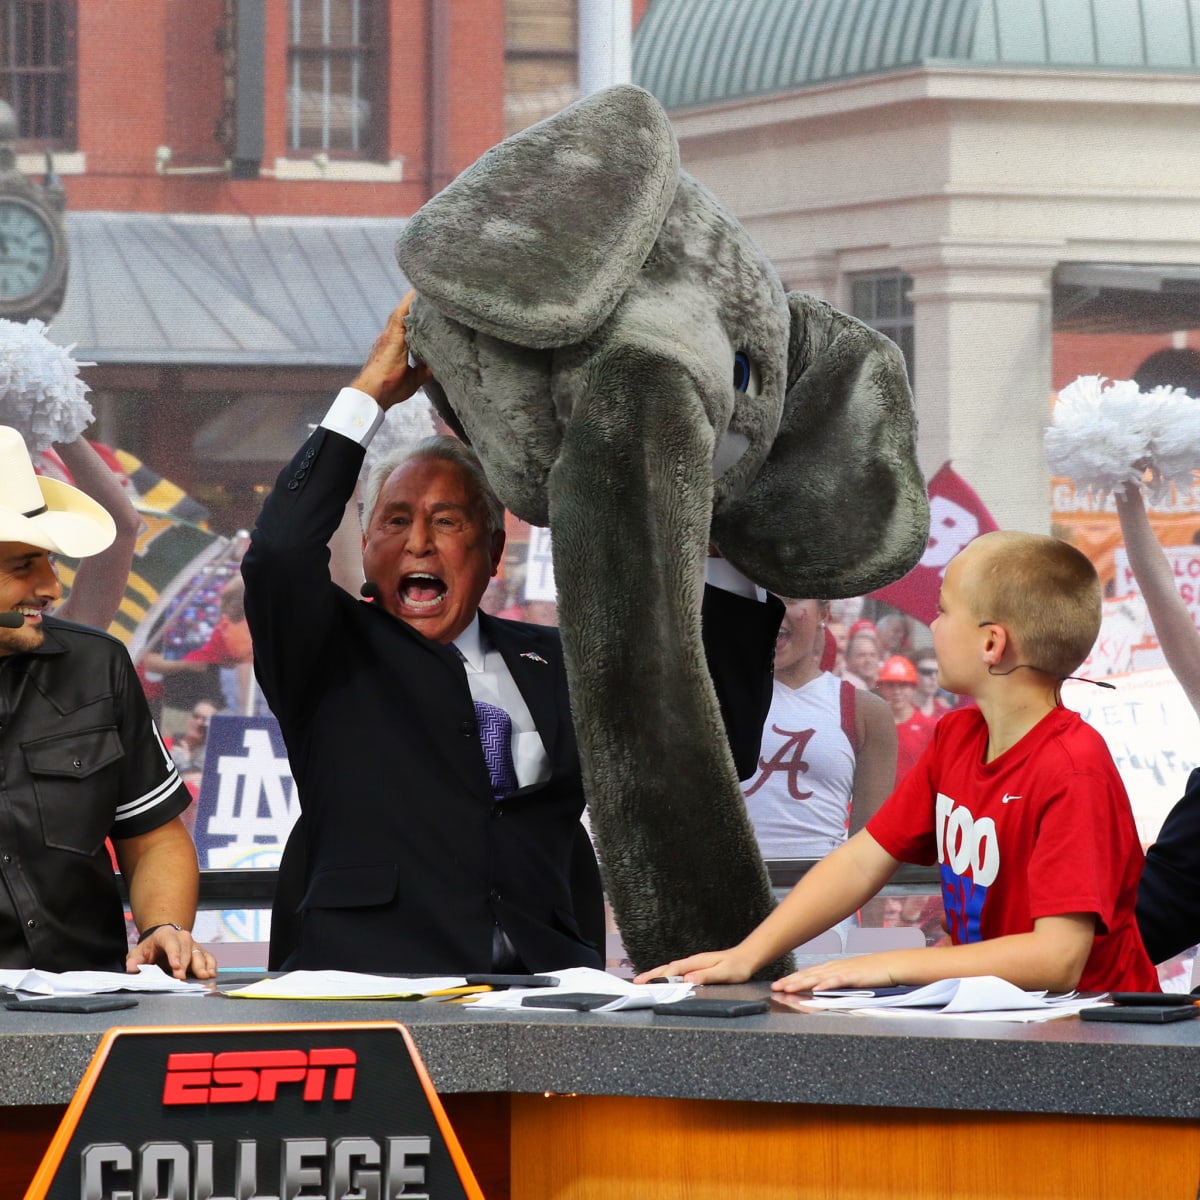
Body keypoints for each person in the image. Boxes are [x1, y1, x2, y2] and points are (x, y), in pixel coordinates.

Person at [243, 295, 780, 974]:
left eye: (447, 522)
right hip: (371, 979)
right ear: (369, 549)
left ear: (493, 552)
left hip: (547, 984)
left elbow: (711, 749)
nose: (418, 544)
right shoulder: (327, 655)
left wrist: (720, 552)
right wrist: (369, 392)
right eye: (396, 520)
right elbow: (279, 554)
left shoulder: (560, 662)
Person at [637, 530, 1159, 995]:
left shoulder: (1073, 770)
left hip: (1101, 1041)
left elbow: (1058, 959)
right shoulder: (957, 735)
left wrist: (891, 966)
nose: (932, 622)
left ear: (992, 643)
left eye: (944, 609)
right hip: (1008, 1021)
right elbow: (863, 858)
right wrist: (749, 954)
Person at [0, 425, 214, 979]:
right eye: (23, 566)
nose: (50, 585)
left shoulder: (99, 665)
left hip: (90, 1003)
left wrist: (165, 927)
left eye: (48, 560)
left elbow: (155, 835)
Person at [742, 597, 895, 858]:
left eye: (789, 599)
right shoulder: (708, 698)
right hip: (725, 895)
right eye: (761, 595)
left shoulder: (866, 712)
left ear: (824, 613)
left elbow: (872, 857)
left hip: (823, 895)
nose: (773, 609)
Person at [875, 654, 937, 785]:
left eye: (903, 685)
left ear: (914, 688)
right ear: (881, 688)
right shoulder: (872, 725)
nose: (896, 691)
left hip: (915, 799)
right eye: (890, 685)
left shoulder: (929, 726)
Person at [913, 649, 955, 720]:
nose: (933, 677)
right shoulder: (902, 711)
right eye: (927, 672)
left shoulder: (946, 713)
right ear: (913, 673)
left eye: (938, 672)